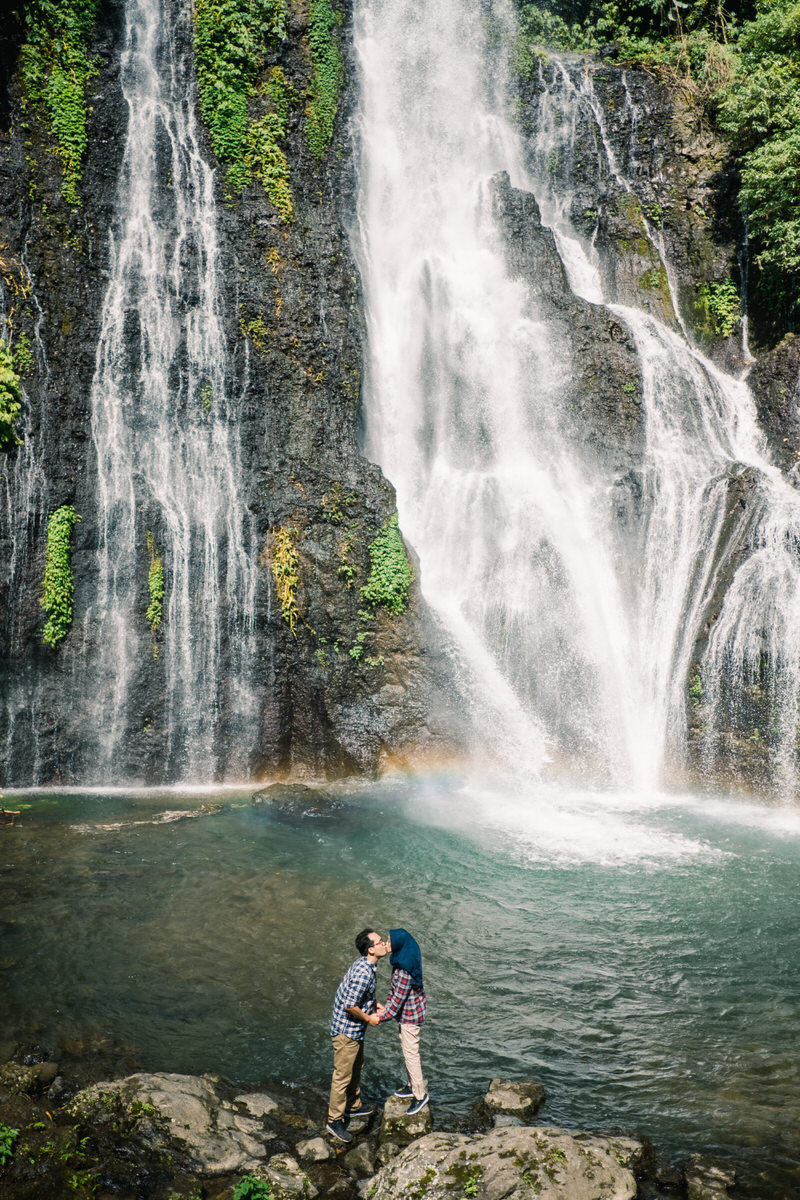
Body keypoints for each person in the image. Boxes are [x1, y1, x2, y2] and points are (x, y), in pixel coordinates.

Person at [326, 928, 388, 1143]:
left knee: (356, 1067)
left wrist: (374, 1005)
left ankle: (353, 1106)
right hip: (346, 1032)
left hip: (353, 1030)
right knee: (342, 1075)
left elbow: (357, 996)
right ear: (371, 949)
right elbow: (350, 1005)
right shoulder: (364, 973)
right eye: (379, 942)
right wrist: (370, 1018)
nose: (384, 944)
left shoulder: (365, 964)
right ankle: (334, 1120)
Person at [371, 927, 428, 1114]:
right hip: (408, 1014)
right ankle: (412, 1085)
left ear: (398, 945)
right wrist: (385, 1008)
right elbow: (395, 996)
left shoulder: (404, 970)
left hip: (410, 1017)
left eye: (389, 941)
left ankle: (420, 1095)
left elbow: (397, 1001)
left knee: (411, 1054)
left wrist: (380, 1017)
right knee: (407, 1050)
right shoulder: (403, 959)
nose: (387, 944)